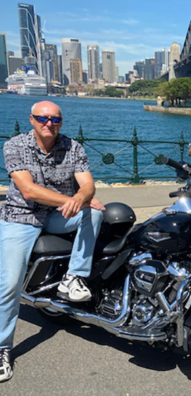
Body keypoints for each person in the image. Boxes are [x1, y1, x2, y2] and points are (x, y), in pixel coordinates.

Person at [0, 101, 105, 383]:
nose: (49, 123)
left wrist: (82, 198)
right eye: (43, 118)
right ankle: (2, 347)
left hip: (58, 214)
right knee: (9, 284)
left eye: (55, 119)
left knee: (94, 211)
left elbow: (88, 185)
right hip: (21, 216)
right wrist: (73, 200)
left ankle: (74, 277)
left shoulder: (73, 147)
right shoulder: (15, 145)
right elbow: (28, 190)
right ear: (32, 120)